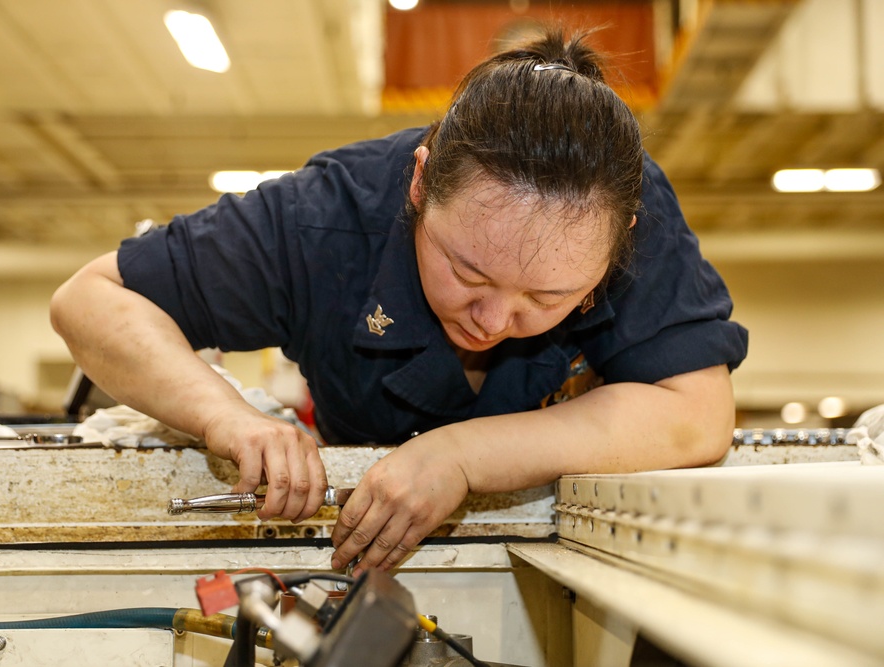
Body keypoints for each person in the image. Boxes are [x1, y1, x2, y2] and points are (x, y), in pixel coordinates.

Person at [50, 27, 747, 575]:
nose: (495, 319)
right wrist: (225, 418)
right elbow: (90, 298)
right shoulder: (324, 217)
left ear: (622, 235)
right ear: (418, 185)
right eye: (467, 272)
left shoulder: (624, 204)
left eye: (548, 296)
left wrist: (463, 457)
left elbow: (695, 411)